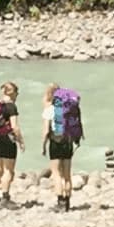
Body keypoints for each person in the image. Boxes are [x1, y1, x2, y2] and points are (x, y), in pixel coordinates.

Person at [41, 83, 76, 212]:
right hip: (68, 142)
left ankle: (60, 202)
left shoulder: (49, 110)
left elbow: (45, 131)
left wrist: (43, 146)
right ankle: (67, 203)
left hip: (55, 143)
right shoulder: (68, 109)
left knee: (56, 173)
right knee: (67, 175)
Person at [0, 81, 24, 208]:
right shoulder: (11, 107)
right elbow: (14, 126)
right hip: (8, 141)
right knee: (9, 171)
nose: (17, 95)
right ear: (12, 92)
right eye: (16, 93)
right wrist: (21, 141)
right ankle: (5, 198)